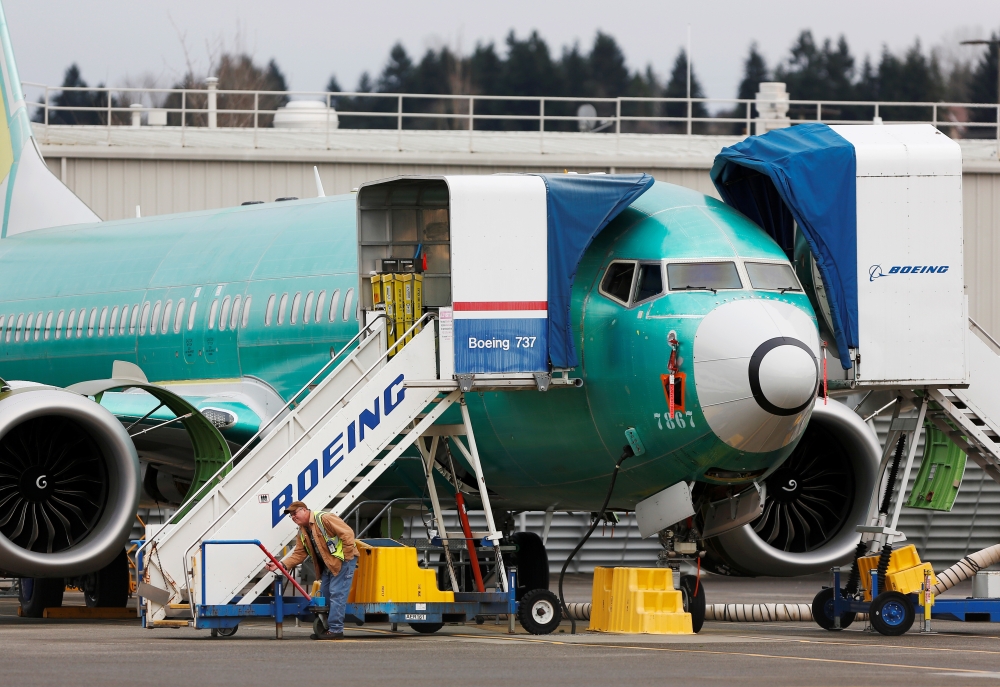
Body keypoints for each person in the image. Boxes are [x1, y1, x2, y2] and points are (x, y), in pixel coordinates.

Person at [267, 501, 358, 640]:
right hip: (329, 565)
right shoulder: (302, 531)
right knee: (325, 596)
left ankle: (336, 630)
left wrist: (346, 556)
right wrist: (281, 565)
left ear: (304, 510)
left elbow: (348, 534)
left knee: (336, 594)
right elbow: (299, 554)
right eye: (291, 516)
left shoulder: (324, 518)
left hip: (342, 562)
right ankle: (326, 629)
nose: (293, 517)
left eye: (295, 513)